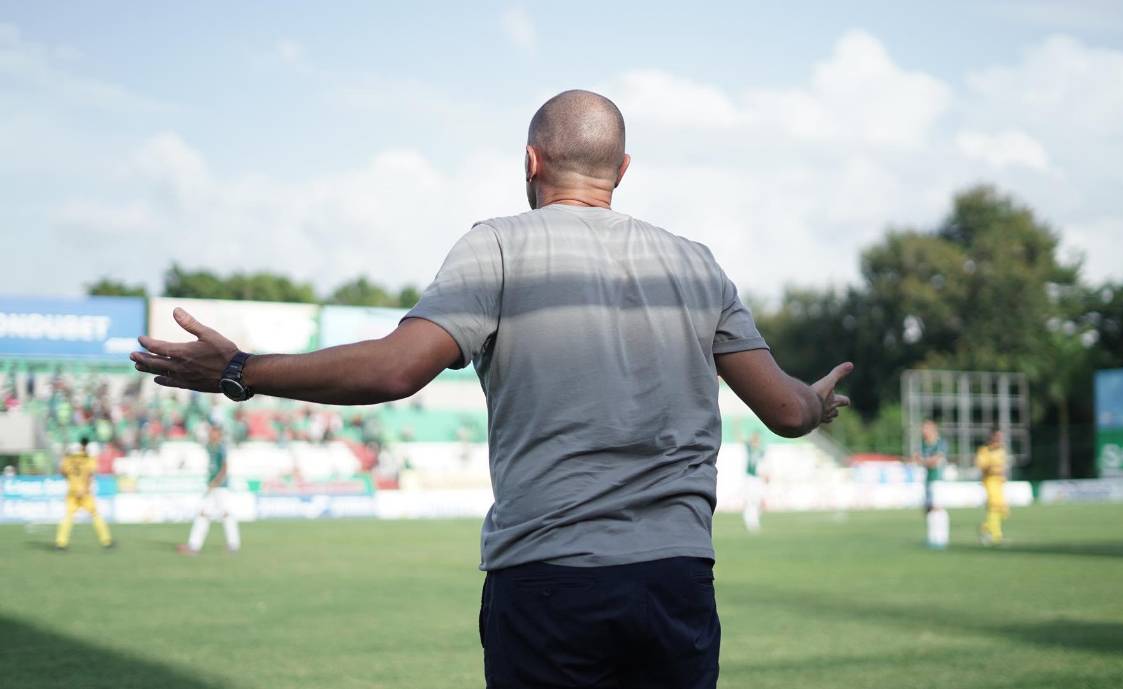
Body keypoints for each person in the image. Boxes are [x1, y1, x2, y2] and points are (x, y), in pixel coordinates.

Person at [130, 89, 853, 689]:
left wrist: (238, 369)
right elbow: (788, 410)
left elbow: (394, 368)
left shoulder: (500, 245)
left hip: (548, 582)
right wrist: (818, 401)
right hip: (676, 583)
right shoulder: (698, 265)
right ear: (622, 170)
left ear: (532, 161)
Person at [179, 425, 240, 555]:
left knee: (225, 514)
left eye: (215, 432)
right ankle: (194, 545)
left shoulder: (220, 448)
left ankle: (233, 544)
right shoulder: (209, 447)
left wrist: (216, 482)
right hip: (212, 486)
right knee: (203, 514)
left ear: (219, 434)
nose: (212, 434)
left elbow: (225, 467)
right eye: (211, 431)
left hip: (220, 487)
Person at [54, 437, 114, 550]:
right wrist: (84, 488)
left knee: (68, 516)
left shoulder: (68, 459)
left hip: (72, 491)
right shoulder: (88, 458)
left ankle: (61, 543)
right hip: (85, 492)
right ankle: (106, 541)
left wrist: (71, 480)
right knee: (95, 514)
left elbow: (62, 472)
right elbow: (90, 474)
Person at [912, 420, 948, 549]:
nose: (924, 431)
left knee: (937, 508)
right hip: (927, 480)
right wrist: (925, 461)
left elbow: (935, 461)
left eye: (926, 428)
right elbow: (916, 459)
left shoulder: (940, 443)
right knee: (928, 510)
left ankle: (941, 539)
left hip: (937, 479)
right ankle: (932, 538)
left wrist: (923, 461)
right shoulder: (923, 444)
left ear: (933, 429)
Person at [976, 427, 1010, 545]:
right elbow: (982, 467)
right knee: (994, 507)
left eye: (1001, 437)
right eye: (997, 436)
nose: (1000, 439)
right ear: (992, 437)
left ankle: (985, 528)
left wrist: (1002, 475)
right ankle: (997, 536)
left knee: (1003, 510)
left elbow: (1003, 467)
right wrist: (992, 469)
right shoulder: (984, 450)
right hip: (989, 482)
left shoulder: (1001, 451)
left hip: (999, 482)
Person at [742, 431, 766, 533]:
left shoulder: (761, 451)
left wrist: (765, 475)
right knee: (751, 501)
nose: (756, 440)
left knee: (759, 501)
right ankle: (751, 522)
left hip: (758, 479)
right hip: (750, 478)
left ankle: (752, 519)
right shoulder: (750, 448)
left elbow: (763, 466)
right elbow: (740, 437)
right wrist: (736, 424)